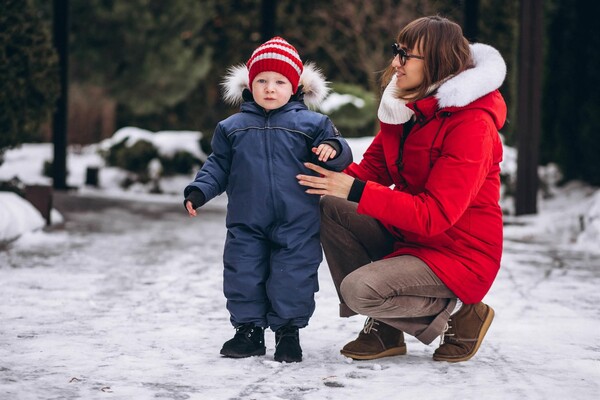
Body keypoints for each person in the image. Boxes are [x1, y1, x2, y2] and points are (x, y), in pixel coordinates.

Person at [296, 15, 507, 363]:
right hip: (412, 239)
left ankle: (462, 314)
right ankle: (388, 328)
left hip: (460, 253)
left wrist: (356, 190)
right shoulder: (407, 112)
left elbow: (435, 215)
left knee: (358, 290)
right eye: (397, 51)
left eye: (406, 55)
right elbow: (368, 173)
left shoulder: (472, 126)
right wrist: (308, 173)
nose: (395, 62)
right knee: (330, 206)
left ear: (439, 62)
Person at [184, 37, 353, 363]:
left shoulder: (313, 124)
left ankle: (288, 332)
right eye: (261, 80)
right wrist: (199, 190)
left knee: (293, 275)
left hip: (297, 220)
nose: (270, 88)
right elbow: (218, 165)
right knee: (242, 272)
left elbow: (339, 150)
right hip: (247, 221)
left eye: (280, 81)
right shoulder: (232, 128)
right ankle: (248, 331)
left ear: (296, 87)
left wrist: (332, 150)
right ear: (250, 84)